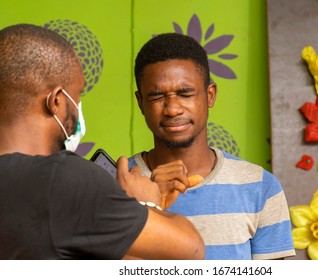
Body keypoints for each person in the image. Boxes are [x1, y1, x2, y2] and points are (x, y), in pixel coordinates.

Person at [0, 24, 205, 260]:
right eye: (77, 96)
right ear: (56, 100)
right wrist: (145, 205)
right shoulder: (64, 179)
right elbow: (190, 249)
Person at [128, 33, 296, 260]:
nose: (172, 109)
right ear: (140, 103)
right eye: (157, 97)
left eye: (185, 93)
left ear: (210, 95)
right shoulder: (116, 185)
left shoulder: (259, 188)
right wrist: (146, 210)